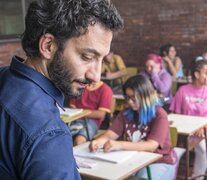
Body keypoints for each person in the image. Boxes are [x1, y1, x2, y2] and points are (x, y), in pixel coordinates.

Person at [0, 0, 123, 179]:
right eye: (87, 57)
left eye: (102, 59)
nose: (96, 76)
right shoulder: (48, 134)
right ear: (48, 46)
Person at [90, 74, 177, 180]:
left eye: (134, 98)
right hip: (132, 160)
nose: (130, 102)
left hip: (158, 163)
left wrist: (120, 144)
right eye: (127, 98)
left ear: (146, 96)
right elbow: (110, 135)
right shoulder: (125, 114)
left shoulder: (159, 114)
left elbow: (151, 146)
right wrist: (98, 141)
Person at [170, 58, 207, 180]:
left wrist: (202, 127)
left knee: (202, 151)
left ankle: (198, 177)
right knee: (174, 152)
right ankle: (170, 175)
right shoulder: (182, 91)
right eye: (206, 73)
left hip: (201, 131)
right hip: (183, 132)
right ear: (196, 74)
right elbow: (176, 115)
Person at [69, 81, 113, 145]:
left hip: (92, 121)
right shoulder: (79, 86)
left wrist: (79, 113)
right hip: (74, 119)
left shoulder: (105, 89)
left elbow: (100, 114)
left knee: (79, 140)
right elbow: (72, 106)